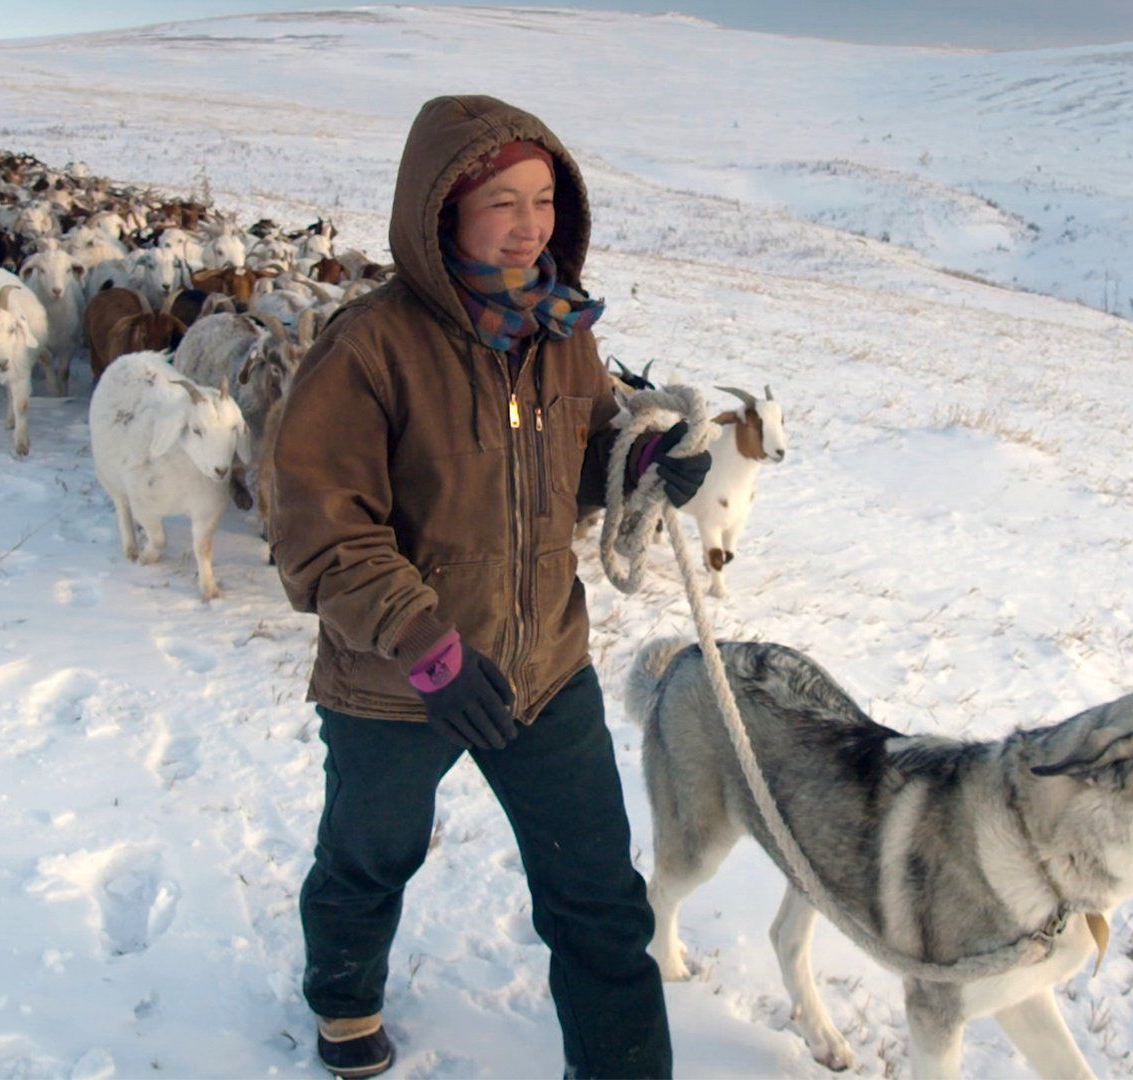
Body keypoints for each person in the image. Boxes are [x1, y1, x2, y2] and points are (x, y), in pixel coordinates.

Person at [269, 94, 709, 1079]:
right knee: (370, 855)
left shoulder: (562, 332)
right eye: (501, 202)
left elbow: (587, 452)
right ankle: (344, 999)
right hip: (396, 679)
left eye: (543, 199)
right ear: (440, 214)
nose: (529, 225)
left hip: (543, 664)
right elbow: (316, 523)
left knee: (597, 894)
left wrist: (639, 464)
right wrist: (424, 645)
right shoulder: (369, 350)